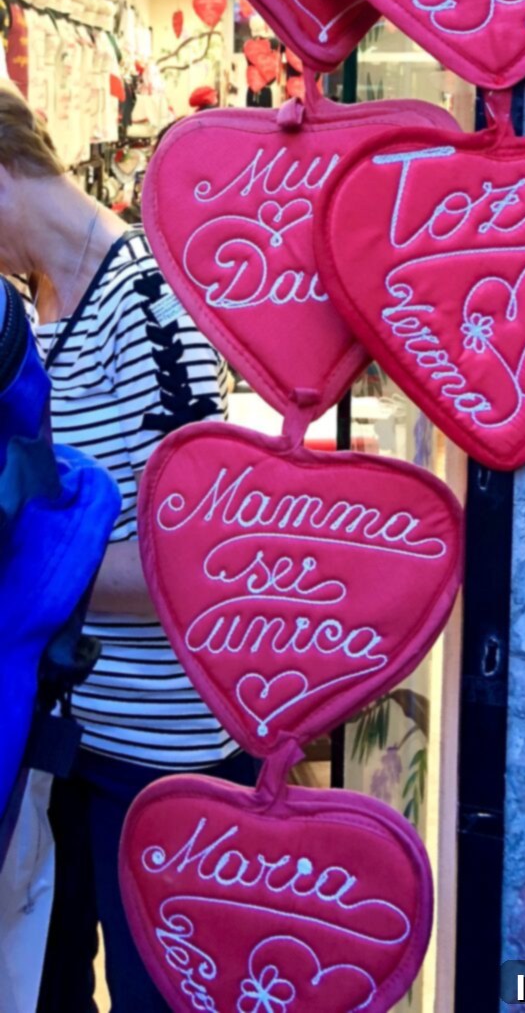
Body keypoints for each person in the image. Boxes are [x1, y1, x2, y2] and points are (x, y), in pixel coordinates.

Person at [0, 87, 254, 1012]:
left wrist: (24, 576)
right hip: (62, 734)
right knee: (51, 980)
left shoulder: (150, 298)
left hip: (158, 744)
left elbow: (189, 563)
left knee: (159, 988)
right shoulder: (34, 305)